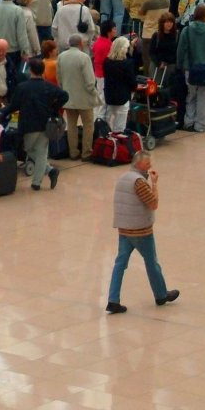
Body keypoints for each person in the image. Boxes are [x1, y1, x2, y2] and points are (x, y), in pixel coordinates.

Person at [105, 150, 179, 313]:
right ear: (138, 164)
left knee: (120, 263)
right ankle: (161, 295)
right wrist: (154, 183)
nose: (150, 166)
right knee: (151, 262)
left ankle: (113, 299)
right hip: (140, 231)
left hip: (124, 229)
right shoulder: (139, 182)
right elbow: (153, 204)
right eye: (147, 164)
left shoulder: (123, 177)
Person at [5, 58, 65, 191]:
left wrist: (2, 112)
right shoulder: (49, 86)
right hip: (45, 123)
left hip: (28, 124)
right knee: (42, 151)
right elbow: (64, 95)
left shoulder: (22, 87)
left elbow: (13, 106)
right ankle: (41, 178)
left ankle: (45, 175)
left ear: (30, 70)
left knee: (29, 149)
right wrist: (54, 108)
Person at [176, 5, 205, 133]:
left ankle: (188, 122)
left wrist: (180, 65)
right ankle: (200, 125)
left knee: (191, 96)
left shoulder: (187, 30)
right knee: (204, 98)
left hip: (189, 68)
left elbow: (181, 50)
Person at [57, 34, 99, 161]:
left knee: (72, 125)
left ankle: (73, 152)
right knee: (88, 124)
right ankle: (86, 152)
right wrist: (94, 93)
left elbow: (59, 78)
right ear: (80, 43)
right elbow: (90, 80)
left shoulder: (61, 57)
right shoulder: (84, 57)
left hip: (68, 97)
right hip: (84, 98)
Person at [102, 36, 136, 133]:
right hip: (123, 97)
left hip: (109, 96)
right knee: (120, 126)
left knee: (108, 121)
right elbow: (132, 82)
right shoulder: (128, 64)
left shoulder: (106, 62)